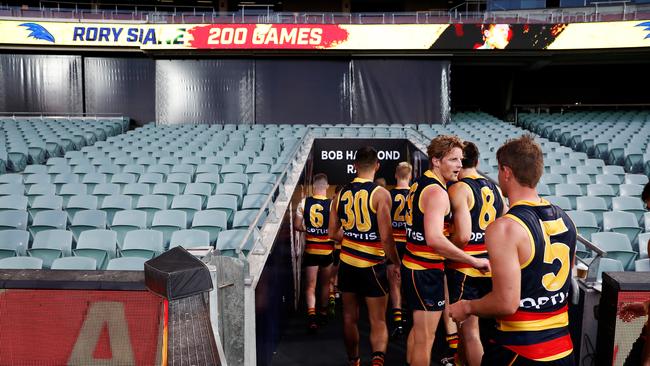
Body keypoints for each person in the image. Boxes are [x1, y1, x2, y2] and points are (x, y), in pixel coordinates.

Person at [450, 135, 577, 365]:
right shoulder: (568, 220)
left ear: (506, 172)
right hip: (563, 350)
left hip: (520, 349)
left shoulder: (505, 227)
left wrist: (467, 306)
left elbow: (506, 303)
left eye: (499, 171)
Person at [402, 135, 490, 366]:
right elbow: (434, 239)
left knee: (418, 332)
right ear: (436, 161)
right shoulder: (437, 192)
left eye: (461, 160)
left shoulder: (422, 182)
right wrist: (472, 260)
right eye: (453, 160)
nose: (459, 165)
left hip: (415, 265)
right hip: (424, 270)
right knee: (426, 339)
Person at [329, 146, 401, 366]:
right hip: (373, 266)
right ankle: (377, 361)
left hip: (348, 265)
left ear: (355, 166)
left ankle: (354, 361)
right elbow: (387, 238)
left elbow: (332, 233)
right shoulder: (381, 194)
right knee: (378, 320)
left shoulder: (340, 193)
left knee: (350, 318)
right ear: (377, 165)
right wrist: (396, 263)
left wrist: (353, 237)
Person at [447, 141, 507, 366]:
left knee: (470, 331)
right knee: (475, 331)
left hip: (466, 267)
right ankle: (459, 361)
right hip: (490, 265)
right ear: (478, 162)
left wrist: (446, 250)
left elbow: (462, 236)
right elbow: (504, 224)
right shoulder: (496, 189)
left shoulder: (459, 188)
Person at [294, 173, 336, 332]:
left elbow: (297, 226)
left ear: (313, 186)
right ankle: (323, 313)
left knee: (311, 286)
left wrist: (309, 230)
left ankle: (311, 317)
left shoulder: (304, 202)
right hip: (327, 251)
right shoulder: (333, 205)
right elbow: (336, 228)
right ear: (326, 186)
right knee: (325, 284)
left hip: (311, 249)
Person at [388, 161, 412, 337]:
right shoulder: (416, 193)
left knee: (394, 282)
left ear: (395, 174)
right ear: (410, 175)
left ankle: (398, 322)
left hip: (394, 243)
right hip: (411, 243)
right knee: (410, 281)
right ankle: (411, 318)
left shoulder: (388, 195)